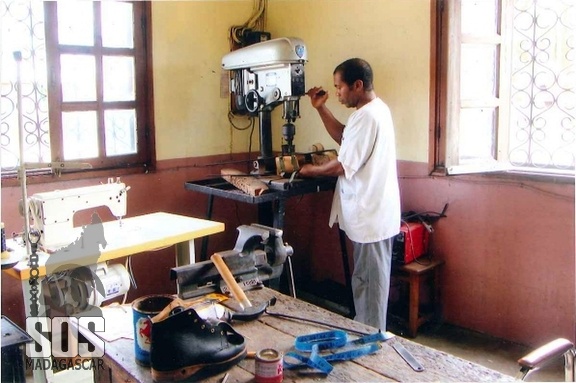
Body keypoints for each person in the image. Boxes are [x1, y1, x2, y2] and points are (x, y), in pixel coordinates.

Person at [298, 58, 401, 331]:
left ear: (358, 85)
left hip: (371, 218)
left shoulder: (367, 116)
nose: (338, 93)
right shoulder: (375, 111)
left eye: (340, 87)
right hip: (374, 216)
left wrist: (310, 170)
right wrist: (321, 109)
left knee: (369, 286)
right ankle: (367, 333)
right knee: (366, 283)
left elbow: (343, 165)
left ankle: (370, 345)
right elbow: (346, 136)